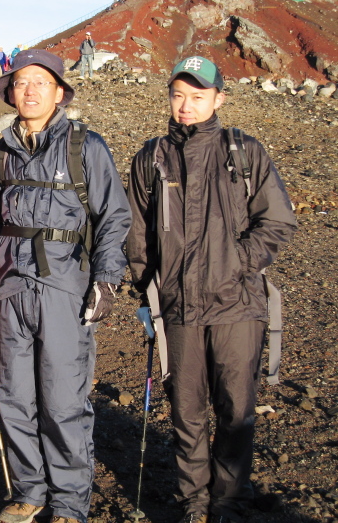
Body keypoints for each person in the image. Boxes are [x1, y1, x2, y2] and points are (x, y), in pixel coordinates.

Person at [126, 56, 297, 523]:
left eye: (198, 96)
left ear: (218, 99)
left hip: (238, 305)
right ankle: (193, 504)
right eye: (178, 95)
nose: (186, 106)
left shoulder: (245, 152)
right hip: (177, 309)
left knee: (236, 411)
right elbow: (136, 235)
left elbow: (278, 220)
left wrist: (237, 263)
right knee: (186, 412)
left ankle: (230, 504)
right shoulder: (151, 158)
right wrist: (149, 296)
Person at [0, 49, 131, 523]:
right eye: (21, 82)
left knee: (64, 399)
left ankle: (68, 503)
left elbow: (113, 217)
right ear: (10, 92)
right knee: (15, 397)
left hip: (65, 289)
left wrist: (106, 280)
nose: (29, 90)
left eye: (40, 82)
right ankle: (29, 491)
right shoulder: (2, 151)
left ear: (60, 92)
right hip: (11, 289)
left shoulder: (86, 146)